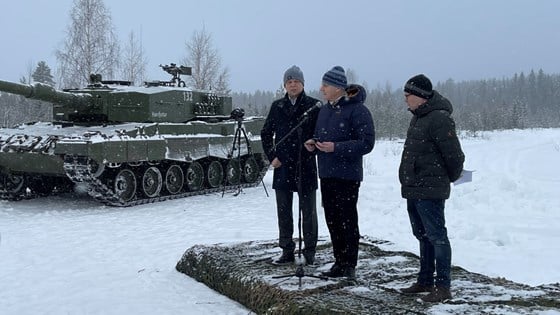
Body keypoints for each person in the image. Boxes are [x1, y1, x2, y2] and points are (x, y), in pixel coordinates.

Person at [398, 74, 465, 302]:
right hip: (414, 188)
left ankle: (443, 286)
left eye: (408, 96)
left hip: (430, 189)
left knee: (437, 237)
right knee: (422, 236)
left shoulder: (439, 119)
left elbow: (454, 156)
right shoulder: (418, 117)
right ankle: (425, 280)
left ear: (421, 96)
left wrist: (445, 178)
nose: (406, 100)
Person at [304, 66, 375, 279]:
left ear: (338, 88)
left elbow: (367, 143)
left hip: (347, 176)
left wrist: (337, 148)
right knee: (332, 219)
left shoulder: (357, 110)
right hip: (326, 173)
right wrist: (313, 144)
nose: (321, 88)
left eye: (325, 85)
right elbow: (320, 136)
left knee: (347, 219)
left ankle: (349, 264)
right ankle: (338, 261)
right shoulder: (324, 110)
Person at [261, 65, 321, 265]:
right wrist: (272, 157)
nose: (293, 85)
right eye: (289, 82)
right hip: (283, 165)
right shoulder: (277, 106)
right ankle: (287, 250)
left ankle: (310, 251)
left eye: (296, 81)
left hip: (306, 165)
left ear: (303, 84)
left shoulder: (314, 106)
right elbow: (266, 133)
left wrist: (315, 145)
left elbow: (322, 134)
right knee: (284, 212)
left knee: (309, 213)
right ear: (285, 85)